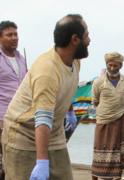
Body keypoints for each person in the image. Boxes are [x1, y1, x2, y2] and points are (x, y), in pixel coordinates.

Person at [1, 14, 90, 180]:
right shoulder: (47, 70)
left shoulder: (75, 61)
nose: (90, 40)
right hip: (24, 133)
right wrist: (41, 162)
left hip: (54, 134)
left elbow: (67, 87)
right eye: (87, 36)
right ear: (75, 39)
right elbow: (42, 118)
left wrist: (70, 111)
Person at [91, 52, 124, 180]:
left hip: (120, 123)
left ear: (120, 65)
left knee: (118, 157)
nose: (112, 68)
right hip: (103, 123)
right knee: (99, 155)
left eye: (115, 65)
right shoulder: (98, 82)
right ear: (106, 64)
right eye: (110, 65)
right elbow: (95, 102)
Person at [0, 20, 28, 180]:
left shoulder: (21, 58)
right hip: (2, 117)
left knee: (14, 159)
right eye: (9, 35)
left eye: (15, 34)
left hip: (20, 116)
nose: (14, 37)